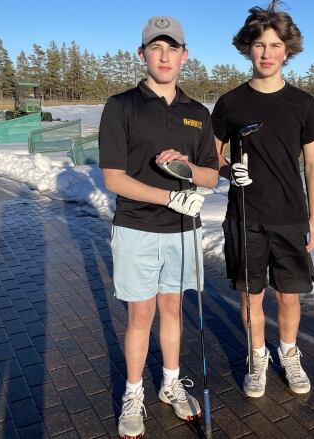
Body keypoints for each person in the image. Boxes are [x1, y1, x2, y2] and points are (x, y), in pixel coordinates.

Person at [98, 15, 219, 438]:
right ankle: (134, 394)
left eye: (173, 49)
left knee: (172, 309)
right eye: (156, 47)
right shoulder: (121, 106)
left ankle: (169, 383)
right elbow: (113, 178)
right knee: (140, 314)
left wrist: (186, 169)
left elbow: (211, 176)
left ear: (185, 56)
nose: (164, 56)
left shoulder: (196, 113)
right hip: (136, 228)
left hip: (183, 232)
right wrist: (169, 195)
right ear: (142, 53)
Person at [212, 0, 314, 399]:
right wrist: (228, 169)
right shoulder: (231, 103)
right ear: (248, 48)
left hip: (290, 216)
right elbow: (211, 156)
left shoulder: (302, 103)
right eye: (260, 45)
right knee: (251, 294)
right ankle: (257, 357)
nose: (267, 53)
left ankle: (289, 353)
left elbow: (313, 165)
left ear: (287, 50)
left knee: (289, 294)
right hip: (245, 215)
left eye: (275, 45)